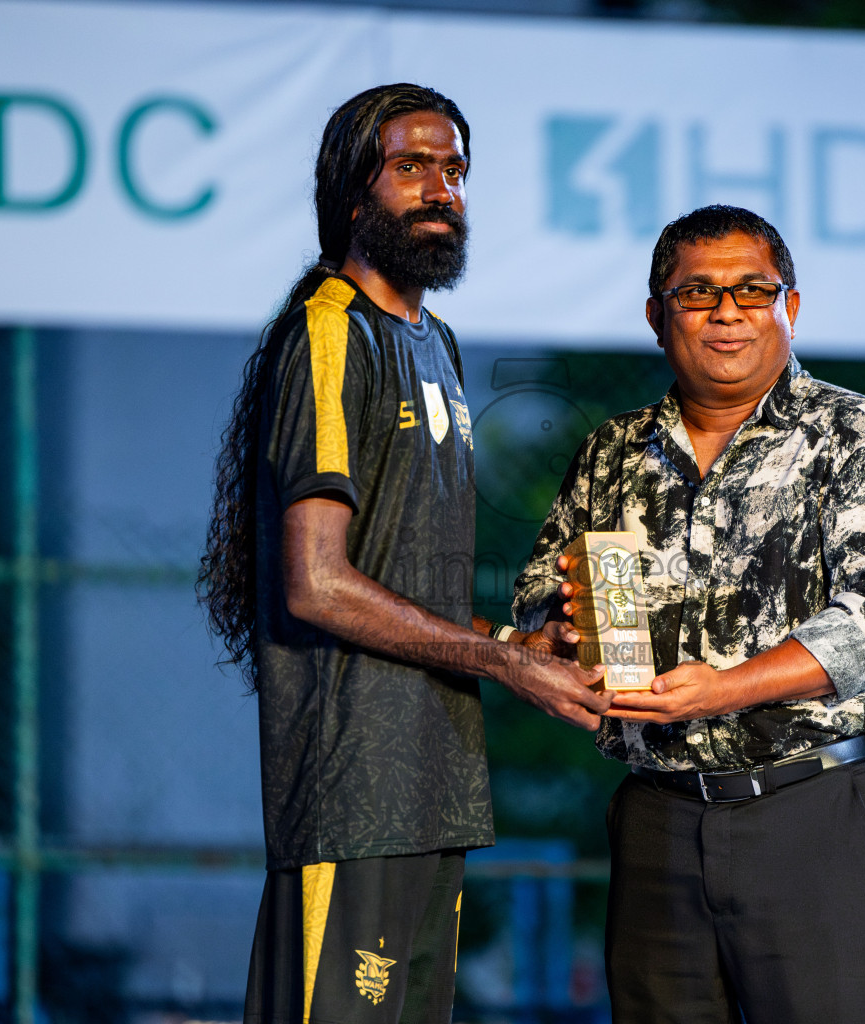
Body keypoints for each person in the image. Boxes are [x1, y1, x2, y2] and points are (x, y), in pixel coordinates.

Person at [200, 83, 609, 1024]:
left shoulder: (440, 346)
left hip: (433, 784)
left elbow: (400, 584)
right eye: (412, 166)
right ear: (353, 194)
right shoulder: (329, 332)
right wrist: (503, 662)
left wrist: (519, 641)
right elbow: (317, 584)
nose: (441, 188)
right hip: (353, 788)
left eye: (456, 169)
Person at [513, 205, 865, 1024]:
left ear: (791, 307)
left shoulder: (854, 435)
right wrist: (557, 635)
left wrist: (724, 688)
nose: (728, 312)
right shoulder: (614, 452)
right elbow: (538, 591)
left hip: (813, 809)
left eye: (752, 290)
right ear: (657, 315)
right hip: (658, 815)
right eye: (698, 293)